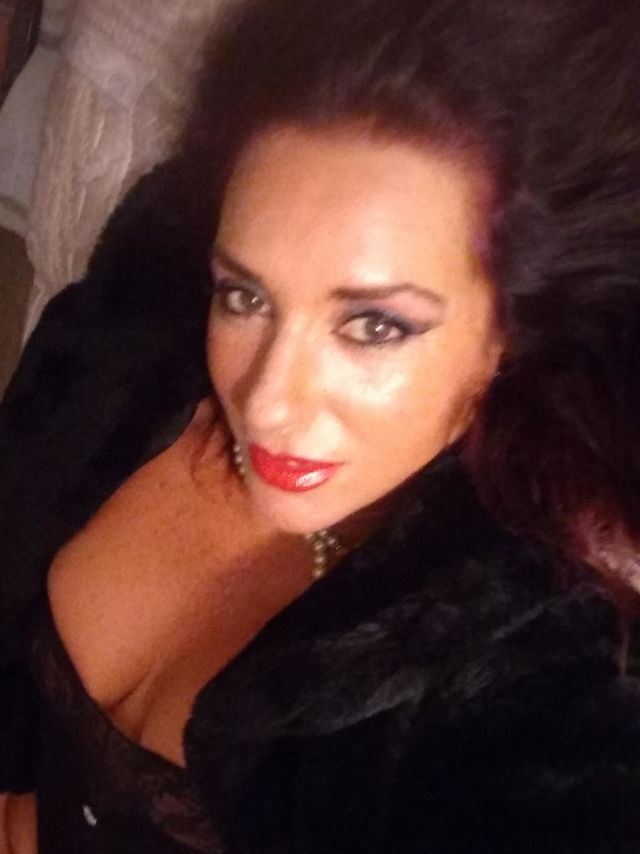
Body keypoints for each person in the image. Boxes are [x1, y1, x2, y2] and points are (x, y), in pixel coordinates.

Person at [2, 0, 640, 850]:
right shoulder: (135, 342)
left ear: (515, 330)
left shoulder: (528, 674)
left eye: (374, 325)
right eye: (246, 296)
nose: (266, 401)